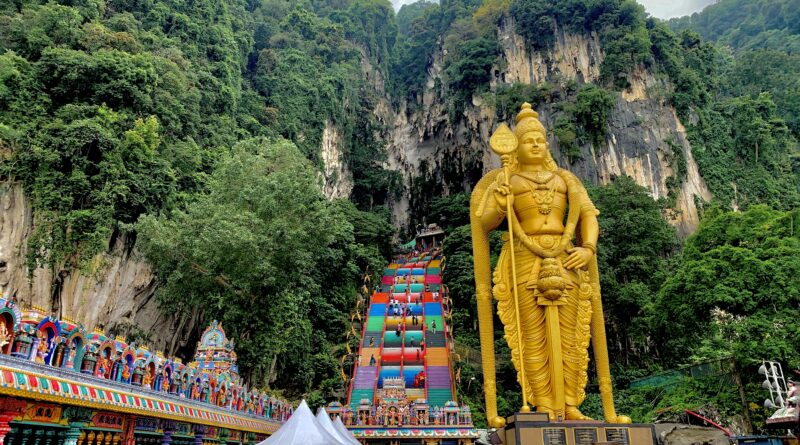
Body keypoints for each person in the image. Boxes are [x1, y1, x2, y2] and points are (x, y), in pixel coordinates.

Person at [471, 103, 628, 425]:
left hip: (567, 255)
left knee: (573, 335)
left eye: (540, 139)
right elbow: (483, 223)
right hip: (524, 258)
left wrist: (588, 248)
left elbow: (588, 215)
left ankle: (570, 403)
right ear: (516, 146)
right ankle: (542, 403)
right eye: (528, 140)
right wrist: (500, 200)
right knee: (531, 335)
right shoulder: (508, 180)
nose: (536, 144)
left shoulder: (565, 179)